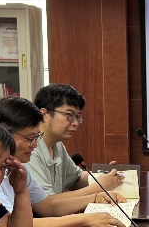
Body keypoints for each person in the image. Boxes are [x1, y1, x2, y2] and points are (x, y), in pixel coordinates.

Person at [0, 97, 127, 227]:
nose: (35, 145)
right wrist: (82, 220)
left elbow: (47, 206)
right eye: (29, 139)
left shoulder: (18, 167)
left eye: (37, 137)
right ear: (4, 135)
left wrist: (95, 197)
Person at [29, 83, 125, 212]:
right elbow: (48, 204)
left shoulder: (57, 144)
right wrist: (99, 187)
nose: (75, 123)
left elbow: (76, 179)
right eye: (69, 115)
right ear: (44, 114)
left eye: (77, 117)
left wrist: (103, 175)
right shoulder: (29, 150)